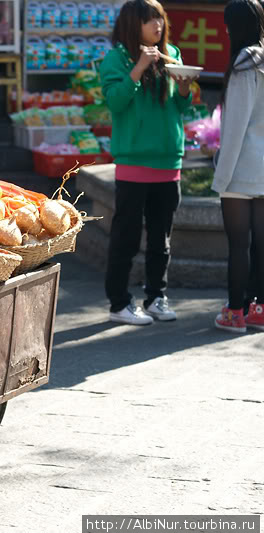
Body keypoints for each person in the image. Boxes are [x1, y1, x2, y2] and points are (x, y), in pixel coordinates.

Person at [100, 0, 193, 325]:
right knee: (125, 237)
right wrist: (138, 68)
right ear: (132, 24)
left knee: (161, 239)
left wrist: (184, 90)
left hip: (169, 161)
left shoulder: (173, 54)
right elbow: (115, 101)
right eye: (150, 19)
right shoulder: (116, 59)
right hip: (134, 162)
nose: (158, 25)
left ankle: (156, 297)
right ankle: (119, 304)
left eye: (160, 18)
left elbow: (181, 107)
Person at [211, 0, 264, 333]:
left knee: (238, 245)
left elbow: (235, 129)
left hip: (242, 169)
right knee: (260, 244)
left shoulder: (245, 63)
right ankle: (257, 309)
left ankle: (234, 312)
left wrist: (221, 175)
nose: (226, 30)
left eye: (228, 24)